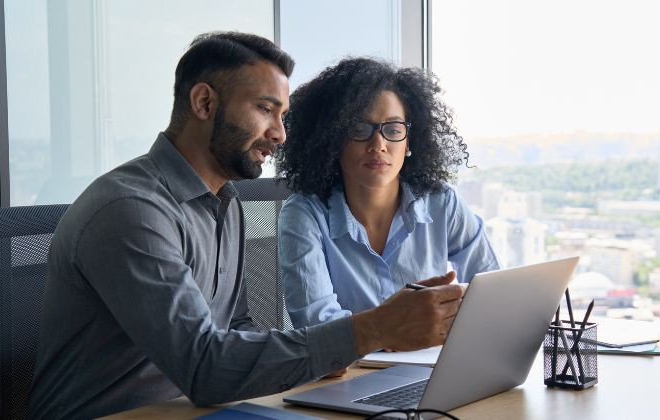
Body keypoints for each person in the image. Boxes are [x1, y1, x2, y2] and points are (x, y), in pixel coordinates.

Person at [26, 33, 465, 420]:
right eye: (265, 110)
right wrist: (372, 329)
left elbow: (235, 327)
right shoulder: (131, 210)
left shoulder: (225, 202)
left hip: (200, 410)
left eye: (282, 115)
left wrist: (323, 351)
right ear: (204, 103)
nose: (280, 134)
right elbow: (204, 368)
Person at [276, 58, 499, 332]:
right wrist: (397, 329)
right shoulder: (304, 214)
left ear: (409, 142)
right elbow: (317, 326)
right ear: (333, 140)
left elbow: (491, 291)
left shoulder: (442, 202)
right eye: (359, 129)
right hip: (349, 371)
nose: (378, 145)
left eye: (393, 130)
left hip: (433, 364)